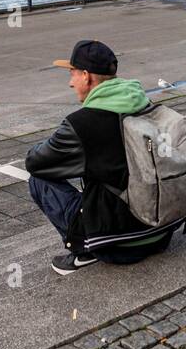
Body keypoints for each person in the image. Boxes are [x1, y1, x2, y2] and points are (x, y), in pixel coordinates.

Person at [25, 39, 172, 275]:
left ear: (86, 76)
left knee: (39, 181)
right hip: (161, 232)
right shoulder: (144, 104)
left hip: (118, 246)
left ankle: (84, 250)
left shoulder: (81, 124)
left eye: (72, 74)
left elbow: (35, 162)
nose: (70, 83)